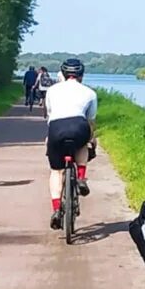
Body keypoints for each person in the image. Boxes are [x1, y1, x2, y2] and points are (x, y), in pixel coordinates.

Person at [44, 58, 97, 229]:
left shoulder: (52, 91)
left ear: (64, 74)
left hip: (56, 129)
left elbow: (51, 115)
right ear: (81, 75)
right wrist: (92, 138)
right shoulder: (89, 92)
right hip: (79, 127)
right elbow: (90, 121)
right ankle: (81, 177)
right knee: (82, 144)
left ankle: (56, 209)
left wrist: (49, 138)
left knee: (56, 171)